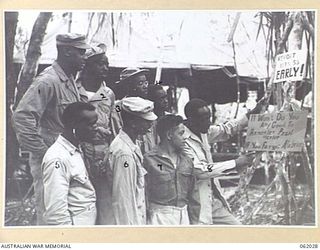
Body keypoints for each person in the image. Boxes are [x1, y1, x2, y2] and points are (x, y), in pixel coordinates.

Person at [12, 33, 90, 224]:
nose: (85, 57)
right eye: (81, 53)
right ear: (67, 52)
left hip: (68, 158)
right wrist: (44, 153)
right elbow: (22, 116)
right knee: (51, 216)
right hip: (51, 161)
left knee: (67, 215)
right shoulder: (47, 81)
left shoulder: (69, 79)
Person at [183, 98, 266, 225]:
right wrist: (236, 163)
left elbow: (227, 129)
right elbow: (200, 170)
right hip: (196, 201)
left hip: (213, 199)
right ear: (191, 120)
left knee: (238, 230)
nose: (208, 122)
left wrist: (253, 112)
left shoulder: (203, 131)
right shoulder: (182, 140)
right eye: (203, 119)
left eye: (209, 117)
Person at [77, 45, 116, 224]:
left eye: (107, 64)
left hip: (103, 154)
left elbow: (115, 126)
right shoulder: (73, 89)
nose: (105, 68)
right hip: (80, 152)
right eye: (101, 64)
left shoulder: (108, 94)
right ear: (87, 65)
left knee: (106, 206)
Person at [41, 102, 97, 225]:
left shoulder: (77, 148)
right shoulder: (58, 158)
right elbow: (56, 212)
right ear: (74, 125)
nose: (96, 129)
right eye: (91, 125)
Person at [107, 97, 157, 225]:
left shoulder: (132, 145)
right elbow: (123, 200)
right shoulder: (124, 153)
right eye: (146, 122)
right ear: (133, 122)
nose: (150, 126)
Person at [143, 115, 200, 225]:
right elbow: (143, 195)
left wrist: (194, 224)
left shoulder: (187, 160)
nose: (185, 137)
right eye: (181, 133)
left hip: (184, 217)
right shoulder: (149, 160)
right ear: (169, 135)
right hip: (159, 218)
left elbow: (194, 197)